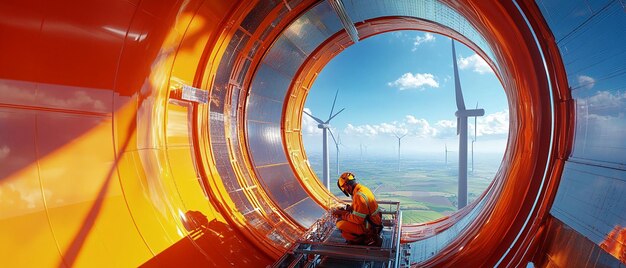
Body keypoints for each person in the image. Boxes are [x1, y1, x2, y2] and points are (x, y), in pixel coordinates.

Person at [332, 172, 383, 246]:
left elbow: (358, 219)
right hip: (374, 222)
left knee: (339, 224)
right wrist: (348, 209)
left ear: (347, 186)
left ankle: (362, 240)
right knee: (343, 221)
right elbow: (360, 208)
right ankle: (362, 237)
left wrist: (342, 215)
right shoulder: (362, 189)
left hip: (369, 227)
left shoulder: (358, 196)